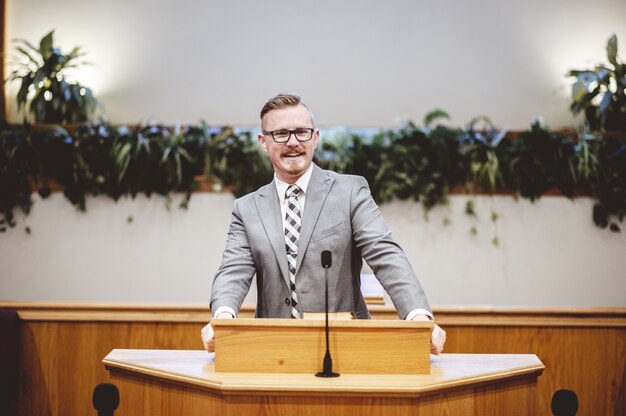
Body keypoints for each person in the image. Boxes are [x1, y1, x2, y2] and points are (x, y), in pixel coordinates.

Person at [201, 93, 446, 354]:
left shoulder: (350, 191)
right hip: (272, 348)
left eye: (302, 132)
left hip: (346, 346)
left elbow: (385, 253)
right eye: (281, 134)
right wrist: (223, 318)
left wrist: (418, 316)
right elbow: (233, 271)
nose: (293, 142)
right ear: (263, 141)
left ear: (315, 137)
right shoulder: (247, 208)